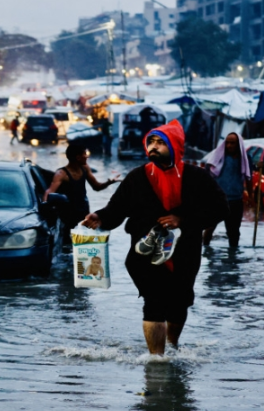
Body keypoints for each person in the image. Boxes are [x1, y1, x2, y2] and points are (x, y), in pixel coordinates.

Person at [82, 121, 228, 355]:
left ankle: (172, 345)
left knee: (180, 303)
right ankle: (156, 362)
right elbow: (116, 208)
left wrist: (183, 220)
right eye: (151, 141)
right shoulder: (137, 177)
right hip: (144, 252)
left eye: (160, 142)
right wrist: (99, 217)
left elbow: (221, 209)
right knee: (155, 302)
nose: (153, 147)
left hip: (185, 252)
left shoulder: (197, 177)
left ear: (175, 146)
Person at [44, 144, 119, 242]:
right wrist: (44, 208)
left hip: (83, 212)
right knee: (68, 242)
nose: (87, 156)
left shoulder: (85, 168)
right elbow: (49, 192)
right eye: (85, 154)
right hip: (67, 215)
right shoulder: (61, 174)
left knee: (86, 242)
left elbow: (96, 187)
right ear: (78, 157)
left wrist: (109, 182)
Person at [204, 132, 251, 248]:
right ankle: (205, 250)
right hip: (217, 199)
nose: (229, 146)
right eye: (227, 143)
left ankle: (233, 259)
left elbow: (249, 177)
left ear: (238, 144)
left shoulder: (244, 159)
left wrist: (251, 196)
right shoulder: (218, 157)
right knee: (209, 228)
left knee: (233, 231)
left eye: (232, 143)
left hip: (235, 200)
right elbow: (206, 175)